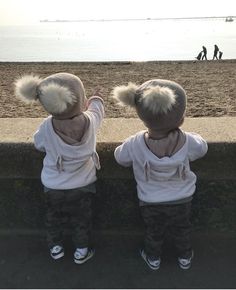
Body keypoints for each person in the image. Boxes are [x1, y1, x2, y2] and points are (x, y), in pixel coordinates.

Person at [112, 79, 208, 270]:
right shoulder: (187, 141)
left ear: (141, 116)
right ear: (181, 120)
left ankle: (153, 258)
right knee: (183, 229)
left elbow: (120, 158)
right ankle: (185, 257)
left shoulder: (135, 143)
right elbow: (202, 148)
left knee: (153, 231)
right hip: (182, 199)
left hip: (150, 201)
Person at [14, 72, 104, 264]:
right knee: (82, 220)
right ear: (81, 101)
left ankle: (56, 248)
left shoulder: (47, 126)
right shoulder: (90, 121)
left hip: (53, 186)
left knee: (53, 217)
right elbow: (98, 110)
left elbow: (38, 144)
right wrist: (96, 98)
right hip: (83, 185)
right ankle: (81, 251)